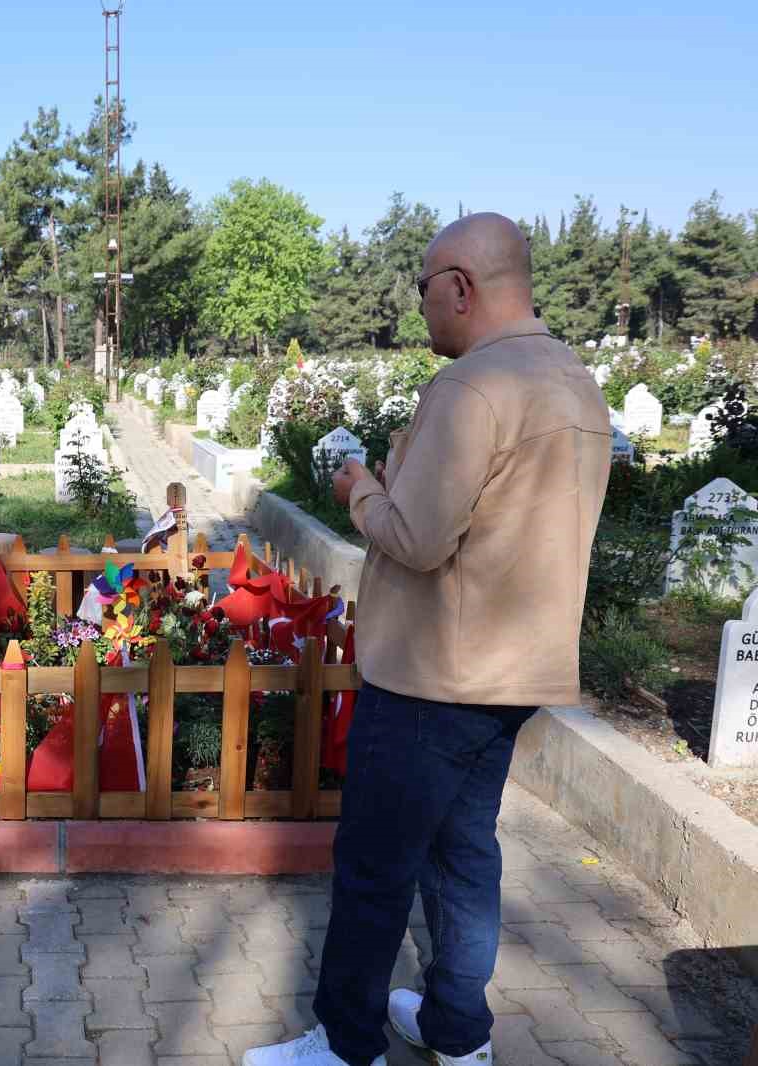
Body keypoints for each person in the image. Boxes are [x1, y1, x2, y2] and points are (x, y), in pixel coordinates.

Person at [245, 214, 612, 1066]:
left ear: (460, 286)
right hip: (516, 672)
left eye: (422, 290)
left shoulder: (475, 388)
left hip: (433, 677)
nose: (422, 309)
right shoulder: (572, 380)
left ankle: (345, 1044)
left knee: (375, 866)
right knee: (465, 853)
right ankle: (457, 1031)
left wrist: (361, 489)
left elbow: (416, 537)